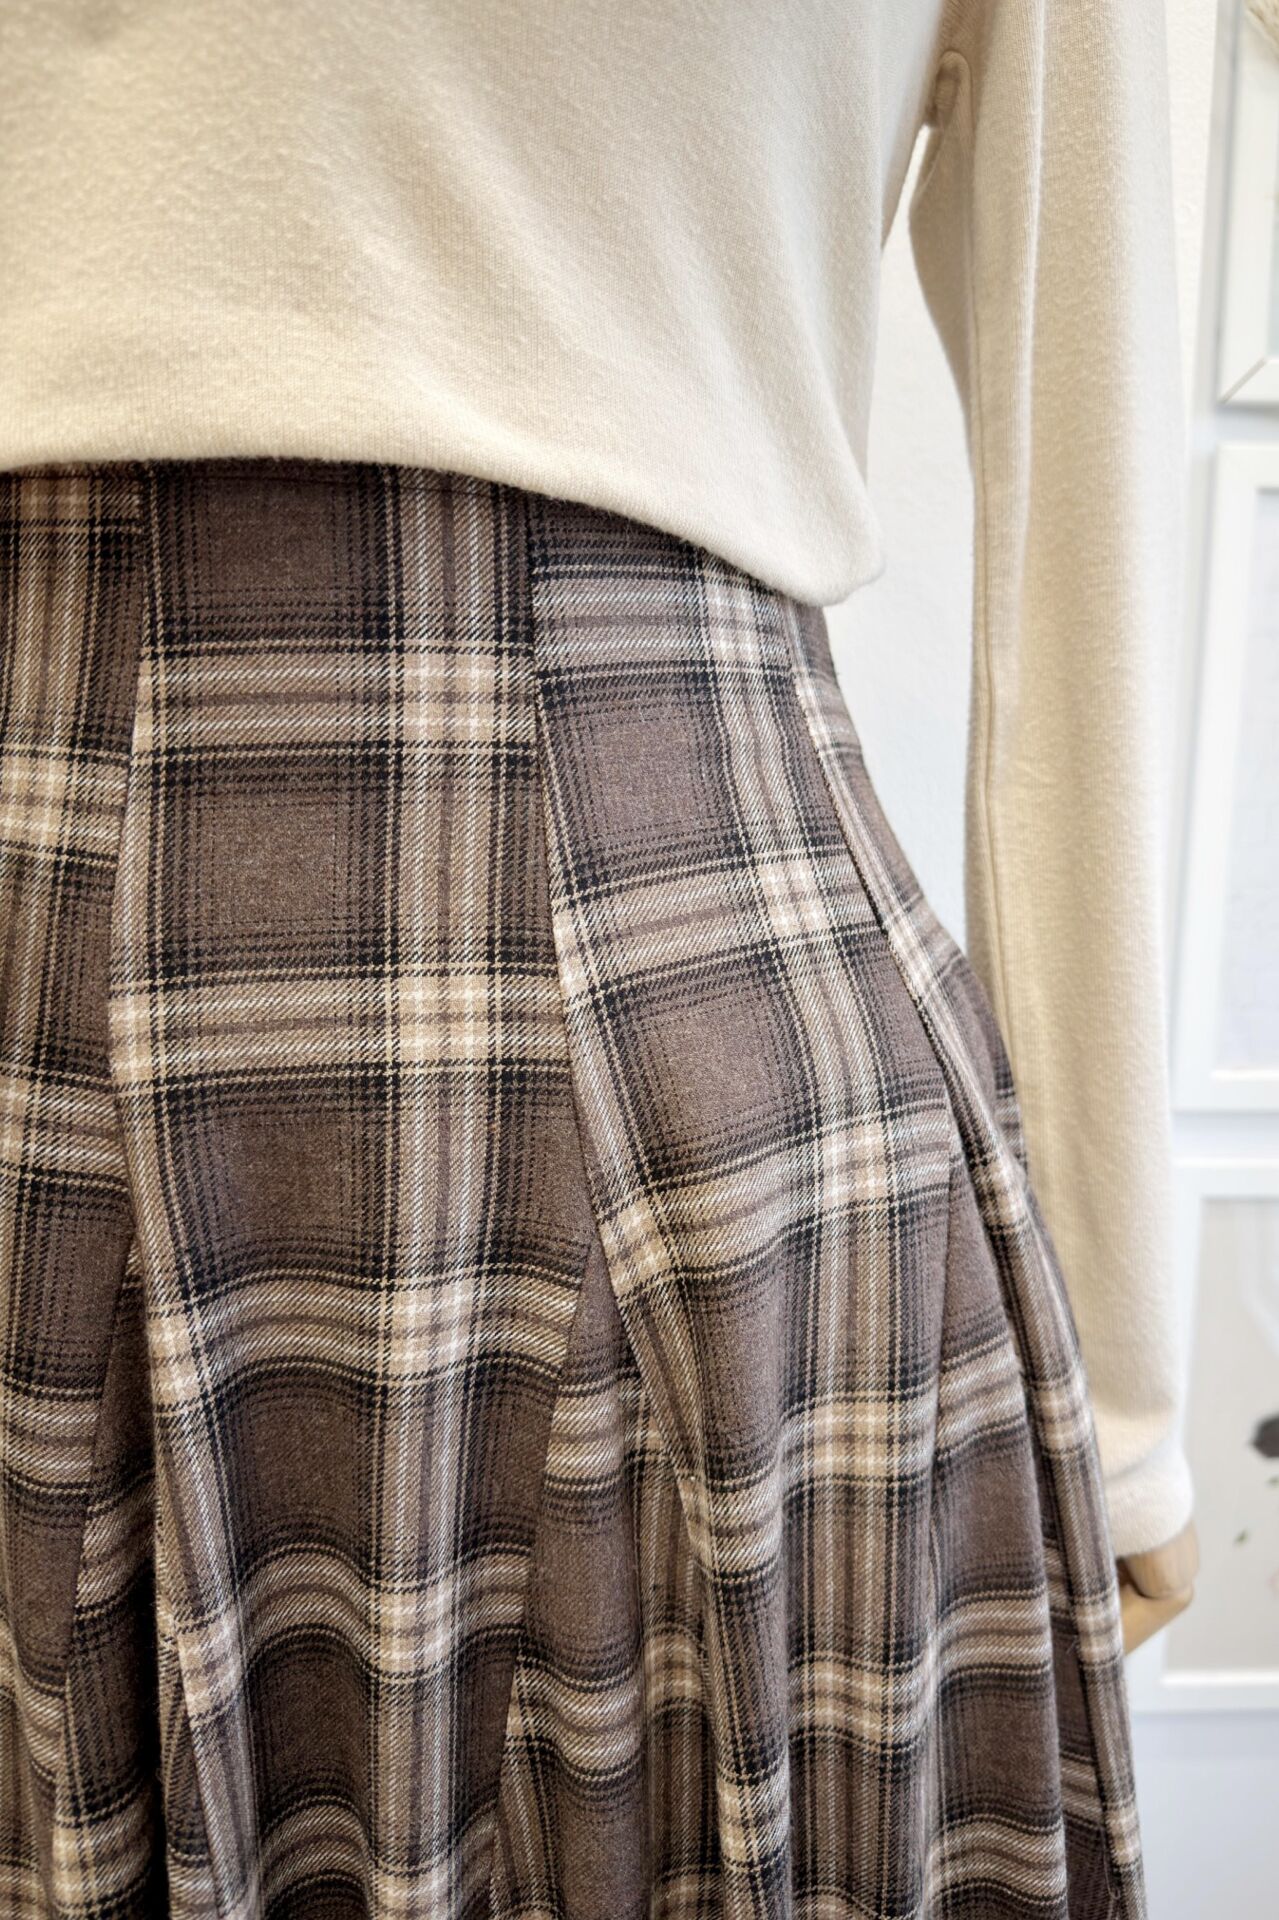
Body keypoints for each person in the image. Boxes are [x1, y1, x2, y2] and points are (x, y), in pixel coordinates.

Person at [0, 3, 1195, 1914]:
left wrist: (1124, 1376)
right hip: (689, 941)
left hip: (675, 1013)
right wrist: (1120, 1407)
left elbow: (1088, 480)